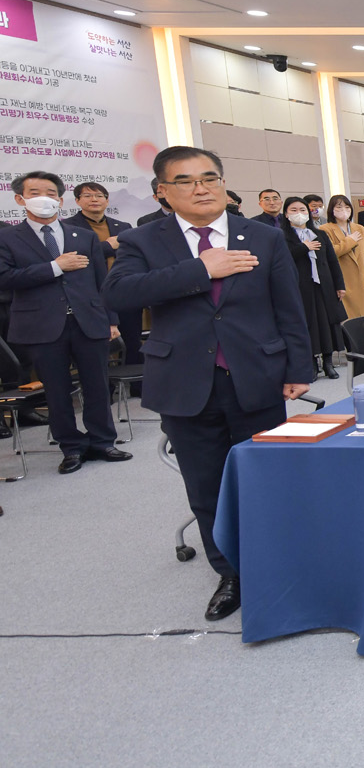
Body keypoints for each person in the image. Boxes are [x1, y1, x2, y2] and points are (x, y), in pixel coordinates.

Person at [104, 146, 313, 622]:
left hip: (256, 375)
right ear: (163, 191)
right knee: (206, 486)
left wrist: (298, 368)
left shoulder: (263, 236)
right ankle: (231, 572)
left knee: (265, 477)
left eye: (209, 177)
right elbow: (118, 294)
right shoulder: (141, 240)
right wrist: (201, 269)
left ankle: (277, 561)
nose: (201, 188)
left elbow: (288, 305)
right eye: (186, 181)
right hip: (183, 381)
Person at [0, 171, 129, 473]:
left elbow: (101, 280)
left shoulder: (82, 235)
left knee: (97, 385)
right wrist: (54, 267)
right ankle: (71, 447)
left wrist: (111, 319)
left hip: (89, 321)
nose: (43, 199)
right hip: (42, 325)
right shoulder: (7, 237)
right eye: (34, 193)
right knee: (57, 391)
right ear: (20, 199)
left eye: (50, 193)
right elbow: (4, 278)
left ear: (60, 200)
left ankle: (103, 441)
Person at [64, 180, 141, 370]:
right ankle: (106, 384)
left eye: (99, 196)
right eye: (88, 196)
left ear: (107, 201)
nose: (94, 200)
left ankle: (137, 384)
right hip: (92, 295)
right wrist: (107, 246)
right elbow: (75, 258)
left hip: (124, 291)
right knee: (98, 347)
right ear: (77, 201)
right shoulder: (67, 228)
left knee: (132, 342)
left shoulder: (122, 226)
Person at [279, 196, 346, 380]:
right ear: (286, 214)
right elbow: (283, 260)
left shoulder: (320, 234)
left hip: (323, 286)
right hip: (300, 287)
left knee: (327, 323)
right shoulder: (281, 236)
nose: (299, 214)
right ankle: (312, 363)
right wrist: (304, 247)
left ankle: (328, 362)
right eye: (293, 210)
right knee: (308, 324)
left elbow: (332, 261)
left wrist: (339, 285)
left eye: (302, 210)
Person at [319, 194, 364, 321]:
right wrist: (350, 241)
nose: (344, 210)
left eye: (347, 207)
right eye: (339, 207)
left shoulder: (359, 228)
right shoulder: (325, 229)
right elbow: (331, 253)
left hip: (363, 280)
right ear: (332, 209)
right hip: (343, 280)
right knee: (349, 319)